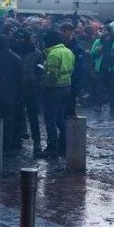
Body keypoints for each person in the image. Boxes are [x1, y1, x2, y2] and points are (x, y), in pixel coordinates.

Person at [41, 29, 75, 158]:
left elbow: (52, 75)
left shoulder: (53, 54)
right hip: (67, 87)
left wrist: (46, 84)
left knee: (50, 119)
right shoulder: (68, 51)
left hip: (54, 89)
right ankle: (64, 145)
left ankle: (52, 147)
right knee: (61, 118)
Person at [14, 30, 46, 156]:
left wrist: (38, 85)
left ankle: (37, 142)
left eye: (22, 38)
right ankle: (17, 140)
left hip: (31, 88)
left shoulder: (36, 53)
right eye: (18, 38)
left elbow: (40, 71)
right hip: (17, 88)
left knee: (33, 116)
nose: (20, 41)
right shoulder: (14, 51)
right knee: (17, 114)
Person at [90, 26, 114, 112]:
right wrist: (97, 50)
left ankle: (113, 105)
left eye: (105, 30)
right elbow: (92, 53)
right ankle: (98, 105)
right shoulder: (98, 42)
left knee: (112, 88)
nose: (103, 32)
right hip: (101, 67)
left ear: (109, 31)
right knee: (99, 87)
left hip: (111, 68)